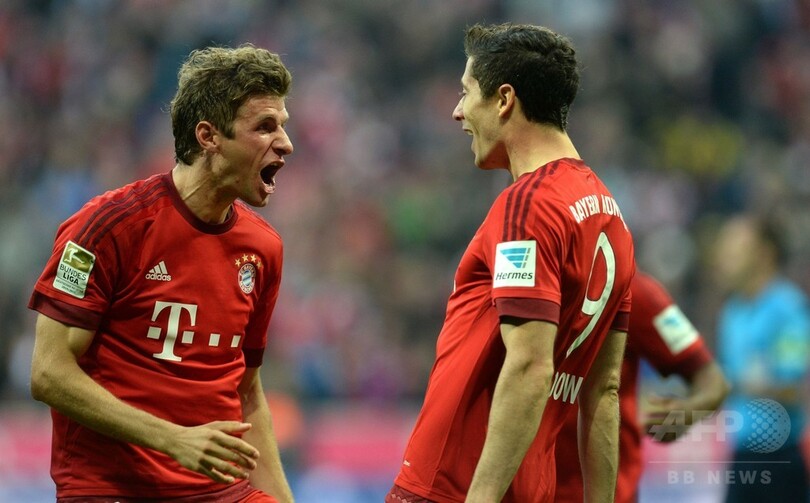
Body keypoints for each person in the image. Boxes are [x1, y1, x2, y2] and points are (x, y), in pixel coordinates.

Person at [28, 44, 295, 502]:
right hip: (113, 490)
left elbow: (247, 392)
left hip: (219, 492)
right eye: (265, 127)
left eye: (283, 126)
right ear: (209, 136)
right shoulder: (106, 227)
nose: (286, 143)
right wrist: (173, 439)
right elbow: (48, 373)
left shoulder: (263, 248)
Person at [388, 23, 635, 503]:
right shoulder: (613, 219)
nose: (458, 112)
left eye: (466, 93)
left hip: (452, 486)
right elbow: (604, 393)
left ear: (504, 99)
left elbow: (528, 366)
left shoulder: (529, 203)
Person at [554, 269, 730, 502]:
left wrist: (687, 411)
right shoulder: (518, 280)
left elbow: (713, 380)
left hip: (606, 494)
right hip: (525, 490)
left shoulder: (636, 292)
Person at [711, 214, 810, 502]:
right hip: (741, 454)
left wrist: (742, 385)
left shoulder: (788, 309)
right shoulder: (732, 312)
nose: (724, 259)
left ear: (764, 253)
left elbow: (792, 389)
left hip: (780, 459)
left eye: (735, 250)